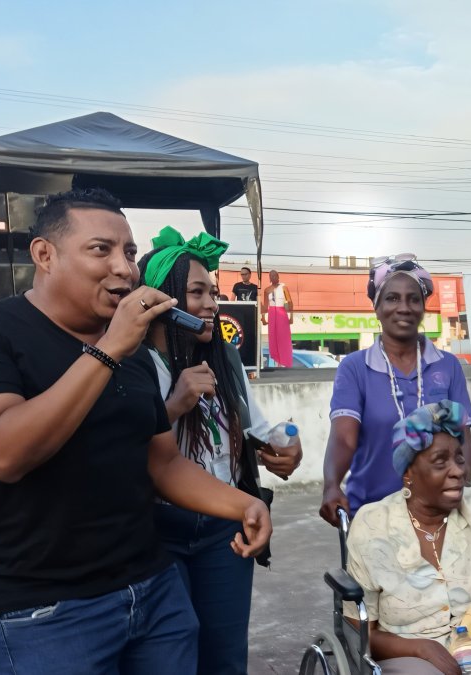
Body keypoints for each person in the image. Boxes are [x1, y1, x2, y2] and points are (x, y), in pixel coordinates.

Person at [0, 188, 271, 675]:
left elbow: (162, 463)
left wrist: (243, 504)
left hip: (154, 591)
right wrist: (108, 350)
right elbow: (4, 453)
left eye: (129, 252)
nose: (124, 268)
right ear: (45, 255)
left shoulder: (133, 355)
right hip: (45, 610)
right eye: (100, 249)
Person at [138, 226, 303, 673]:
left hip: (224, 531)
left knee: (225, 658)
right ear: (163, 298)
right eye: (197, 293)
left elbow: (257, 428)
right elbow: (134, 450)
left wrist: (287, 445)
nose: (212, 304)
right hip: (159, 531)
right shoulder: (138, 363)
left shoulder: (225, 358)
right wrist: (175, 404)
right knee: (172, 658)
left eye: (212, 292)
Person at [345, 400, 471, 675]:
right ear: (408, 473)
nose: (458, 471)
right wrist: (420, 648)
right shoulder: (372, 525)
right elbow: (358, 629)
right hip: (408, 646)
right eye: (440, 461)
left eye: (459, 458)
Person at [320, 254, 471, 525]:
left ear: (423, 307)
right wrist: (331, 485)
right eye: (392, 298)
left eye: (413, 299)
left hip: (439, 516)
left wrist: (459, 487)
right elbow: (344, 439)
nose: (404, 307)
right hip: (372, 514)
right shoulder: (355, 368)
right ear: (377, 307)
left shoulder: (448, 365)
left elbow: (463, 441)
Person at [262, 270, 293, 368]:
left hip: (281, 312)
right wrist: (263, 318)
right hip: (271, 313)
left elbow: (290, 302)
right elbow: (265, 306)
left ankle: (285, 361)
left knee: (283, 337)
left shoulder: (284, 288)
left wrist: (291, 317)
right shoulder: (267, 290)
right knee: (273, 337)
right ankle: (277, 361)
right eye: (271, 276)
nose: (273, 277)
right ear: (269, 278)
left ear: (278, 276)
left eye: (275, 276)